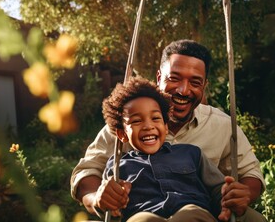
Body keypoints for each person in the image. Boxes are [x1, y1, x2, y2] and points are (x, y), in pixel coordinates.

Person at [71, 39, 266, 221]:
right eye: (174, 78)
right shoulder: (122, 124)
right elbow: (88, 171)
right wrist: (98, 197)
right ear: (159, 77)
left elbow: (249, 173)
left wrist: (239, 195)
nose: (183, 90)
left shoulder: (220, 127)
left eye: (195, 82)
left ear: (205, 86)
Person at [97, 76, 229, 221]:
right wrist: (108, 201)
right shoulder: (117, 165)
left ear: (166, 127)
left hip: (192, 212)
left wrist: (227, 198)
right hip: (142, 214)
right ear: (122, 134)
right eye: (136, 121)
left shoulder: (191, 153)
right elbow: (110, 206)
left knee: (190, 214)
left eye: (155, 118)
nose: (148, 126)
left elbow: (218, 189)